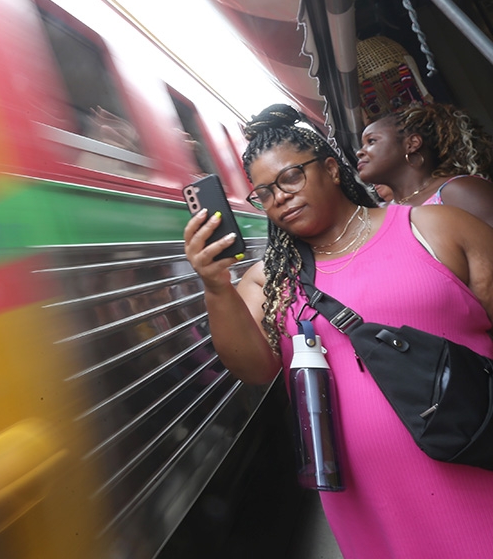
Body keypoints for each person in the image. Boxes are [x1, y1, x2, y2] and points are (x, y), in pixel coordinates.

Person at [183, 104, 493, 559]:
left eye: (290, 178)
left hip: (476, 462)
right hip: (367, 501)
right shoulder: (266, 282)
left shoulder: (436, 227)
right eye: (264, 193)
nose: (280, 197)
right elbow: (254, 368)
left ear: (331, 168)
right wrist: (215, 287)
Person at [356, 102, 493, 226]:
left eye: (371, 141)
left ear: (412, 143)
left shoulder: (459, 191)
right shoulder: (376, 214)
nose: (359, 152)